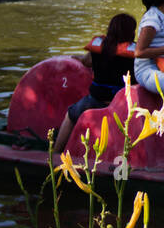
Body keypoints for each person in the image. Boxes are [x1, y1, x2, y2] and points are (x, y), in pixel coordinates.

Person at [54, 13, 138, 150]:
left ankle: (55, 153)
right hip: (122, 104)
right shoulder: (137, 52)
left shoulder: (100, 46)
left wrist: (77, 57)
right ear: (130, 32)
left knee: (70, 115)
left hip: (95, 100)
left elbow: (86, 62)